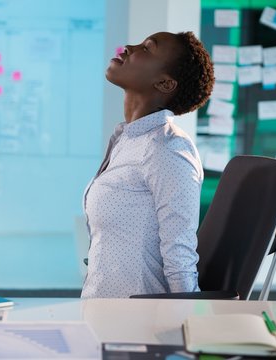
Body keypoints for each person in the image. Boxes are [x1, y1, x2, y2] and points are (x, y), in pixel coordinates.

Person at [81, 31, 215, 298]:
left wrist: (191, 327)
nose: (129, 47)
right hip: (100, 314)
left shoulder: (168, 150)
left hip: (135, 324)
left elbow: (180, 255)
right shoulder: (129, 139)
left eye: (147, 48)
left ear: (165, 83)